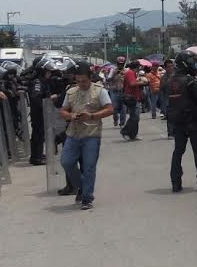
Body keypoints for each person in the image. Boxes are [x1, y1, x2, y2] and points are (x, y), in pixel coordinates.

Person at [59, 61, 113, 210]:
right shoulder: (71, 92)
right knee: (66, 162)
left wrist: (92, 116)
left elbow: (109, 109)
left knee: (89, 167)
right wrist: (71, 115)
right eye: (78, 81)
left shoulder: (100, 91)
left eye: (84, 81)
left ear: (90, 78)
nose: (81, 83)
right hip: (73, 133)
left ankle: (87, 198)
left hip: (91, 134)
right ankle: (82, 187)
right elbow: (62, 111)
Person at [166, 51, 197, 193]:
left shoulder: (170, 81)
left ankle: (176, 183)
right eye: (192, 62)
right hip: (194, 121)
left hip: (178, 122)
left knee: (178, 152)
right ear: (185, 64)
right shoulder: (191, 81)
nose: (195, 65)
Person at [120, 61, 143, 141]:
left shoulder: (132, 73)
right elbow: (132, 84)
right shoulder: (130, 73)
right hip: (131, 97)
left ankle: (133, 134)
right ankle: (125, 131)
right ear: (137, 67)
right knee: (135, 117)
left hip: (135, 97)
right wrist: (141, 82)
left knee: (136, 117)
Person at [107, 57, 127, 127]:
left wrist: (123, 74)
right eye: (119, 64)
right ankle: (115, 119)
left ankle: (122, 122)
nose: (120, 65)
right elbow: (108, 79)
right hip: (114, 91)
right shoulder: (113, 70)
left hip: (124, 91)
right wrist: (114, 74)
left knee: (123, 108)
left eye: (122, 64)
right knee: (114, 107)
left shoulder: (126, 71)